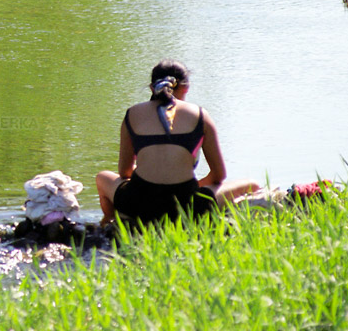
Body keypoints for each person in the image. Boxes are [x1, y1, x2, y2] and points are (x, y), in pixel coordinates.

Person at [95, 60, 258, 227]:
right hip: (188, 208)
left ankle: (109, 224)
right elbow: (218, 175)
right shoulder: (201, 115)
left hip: (137, 206)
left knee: (102, 177)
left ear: (152, 87)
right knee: (252, 185)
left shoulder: (133, 113)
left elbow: (124, 172)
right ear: (186, 88)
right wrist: (194, 185)